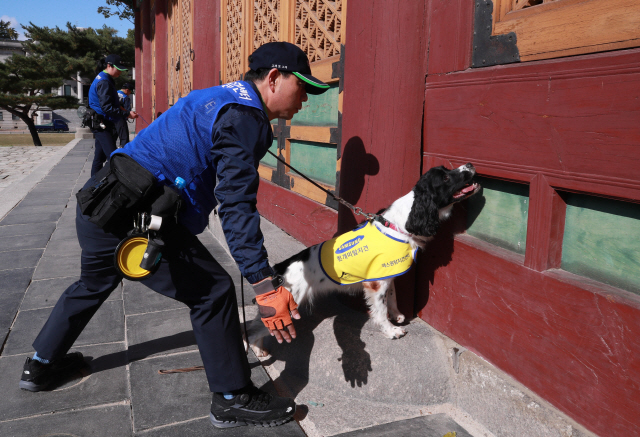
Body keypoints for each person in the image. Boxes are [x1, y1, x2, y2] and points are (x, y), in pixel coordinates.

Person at [19, 42, 330, 429]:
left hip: (101, 203)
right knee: (213, 291)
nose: (304, 98)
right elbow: (235, 205)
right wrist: (264, 284)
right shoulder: (244, 117)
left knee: (93, 282)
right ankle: (232, 396)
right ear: (272, 78)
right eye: (301, 87)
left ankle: (40, 366)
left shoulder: (216, 97)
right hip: (136, 221)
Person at [88, 54, 138, 176]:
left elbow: (111, 103)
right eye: (118, 69)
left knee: (99, 158)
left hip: (102, 122)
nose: (120, 72)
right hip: (101, 124)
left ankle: (93, 186)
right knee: (113, 157)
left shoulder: (105, 78)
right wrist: (126, 114)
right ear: (109, 66)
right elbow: (107, 107)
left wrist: (124, 111)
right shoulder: (104, 81)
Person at [116, 82, 134, 147]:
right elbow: (127, 110)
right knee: (124, 137)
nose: (129, 94)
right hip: (120, 119)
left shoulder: (115, 92)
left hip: (111, 118)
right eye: (130, 92)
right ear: (127, 90)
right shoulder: (125, 97)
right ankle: (124, 151)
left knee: (112, 137)